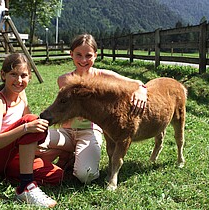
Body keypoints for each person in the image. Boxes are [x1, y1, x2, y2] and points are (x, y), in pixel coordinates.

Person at [36, 34, 147, 184]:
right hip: (66, 131)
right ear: (71, 54)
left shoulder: (104, 76)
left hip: (89, 131)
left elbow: (136, 82)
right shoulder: (64, 80)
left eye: (88, 55)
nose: (83, 60)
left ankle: (72, 156)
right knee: (33, 143)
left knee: (86, 175)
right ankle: (67, 153)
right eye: (79, 55)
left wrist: (141, 90)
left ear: (95, 55)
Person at [0, 53, 63, 208]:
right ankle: (25, 187)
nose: (19, 80)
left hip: (8, 153)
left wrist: (35, 141)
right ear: (3, 75)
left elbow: (27, 134)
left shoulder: (22, 95)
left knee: (57, 176)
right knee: (31, 120)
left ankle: (2, 174)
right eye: (13, 74)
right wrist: (26, 128)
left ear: (30, 77)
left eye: (23, 75)